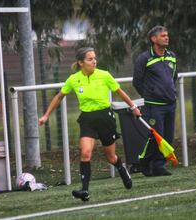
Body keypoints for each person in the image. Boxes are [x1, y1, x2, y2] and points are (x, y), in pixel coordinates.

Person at [39, 47, 141, 202]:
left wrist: (133, 107)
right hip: (87, 119)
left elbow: (120, 92)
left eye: (94, 58)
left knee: (111, 157)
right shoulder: (73, 79)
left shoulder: (104, 75)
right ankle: (84, 190)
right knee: (85, 153)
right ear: (80, 62)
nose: (94, 61)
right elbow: (59, 97)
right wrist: (46, 115)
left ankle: (121, 168)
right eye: (90, 59)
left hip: (105, 117)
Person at [132, 25, 177, 176]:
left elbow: (173, 78)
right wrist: (150, 96)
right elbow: (137, 81)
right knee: (157, 136)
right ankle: (144, 161)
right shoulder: (144, 58)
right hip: (153, 106)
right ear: (154, 39)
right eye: (163, 35)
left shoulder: (172, 56)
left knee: (168, 137)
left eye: (167, 35)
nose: (167, 37)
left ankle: (159, 166)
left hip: (170, 104)